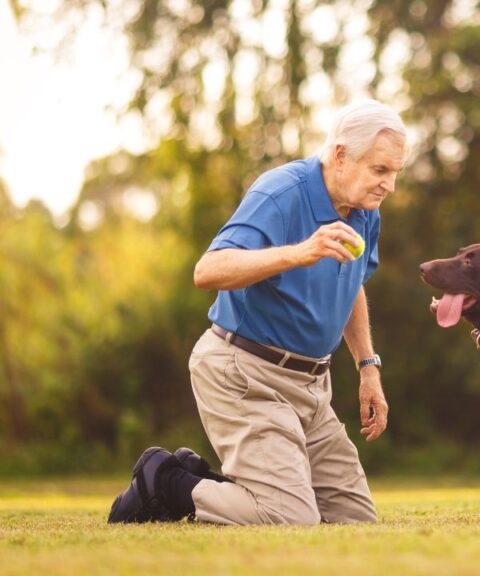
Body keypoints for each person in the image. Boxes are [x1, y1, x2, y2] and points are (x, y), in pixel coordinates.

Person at [108, 99, 405, 525]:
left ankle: (219, 487)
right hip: (244, 373)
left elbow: (352, 283)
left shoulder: (364, 212)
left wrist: (368, 367)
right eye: (380, 170)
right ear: (340, 155)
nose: (389, 185)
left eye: (395, 172)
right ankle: (166, 482)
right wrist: (299, 253)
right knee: (290, 519)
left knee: (356, 523)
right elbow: (208, 270)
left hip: (312, 387)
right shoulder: (281, 192)